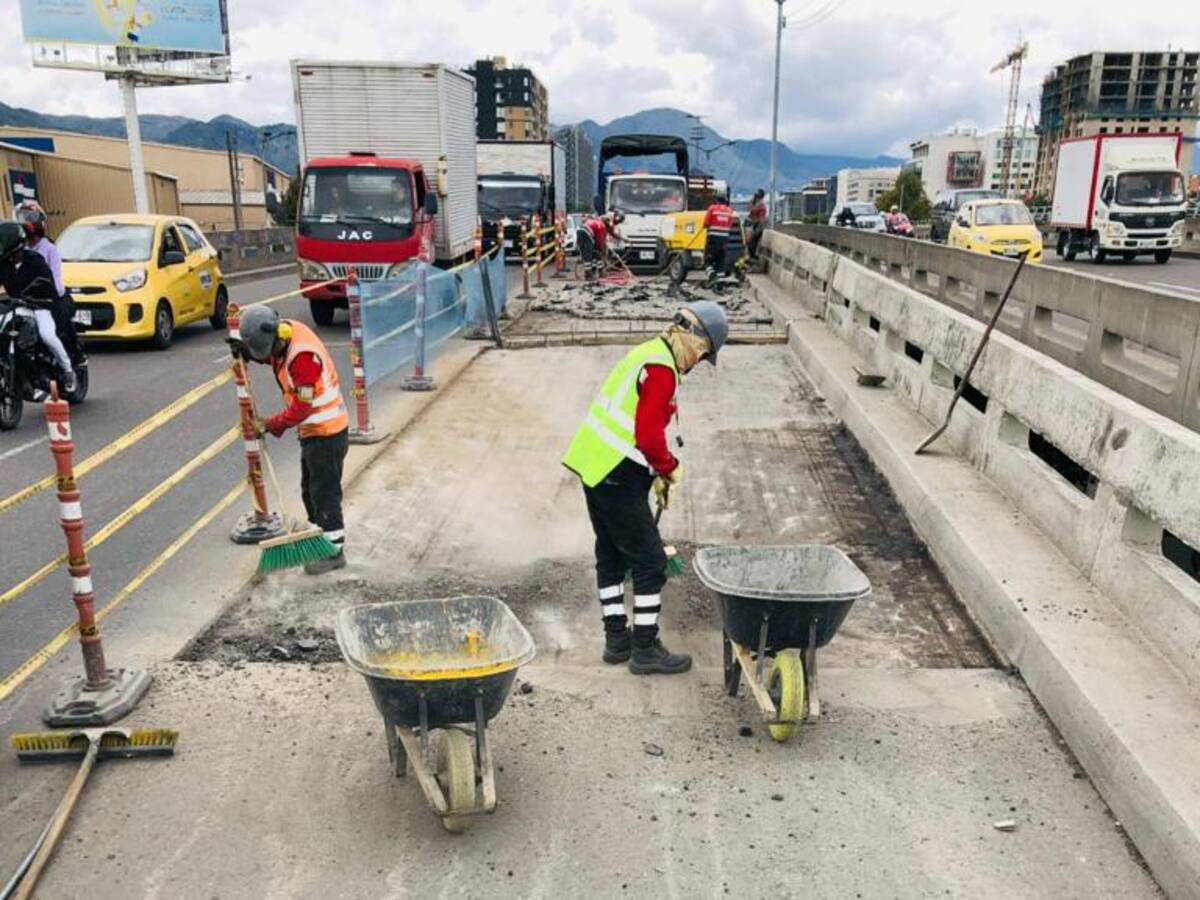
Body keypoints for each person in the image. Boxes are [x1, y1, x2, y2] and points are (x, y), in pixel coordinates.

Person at [562, 301, 729, 675]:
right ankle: (644, 649)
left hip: (595, 466)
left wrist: (651, 474)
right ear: (691, 337)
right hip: (616, 471)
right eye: (703, 354)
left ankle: (616, 641)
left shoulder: (647, 353)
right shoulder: (661, 369)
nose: (697, 363)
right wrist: (668, 467)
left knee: (610, 554)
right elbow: (648, 436)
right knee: (651, 562)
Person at [233, 305, 351, 575]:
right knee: (309, 489)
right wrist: (248, 352)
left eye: (267, 350)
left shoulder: (303, 360)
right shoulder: (283, 333)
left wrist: (268, 424)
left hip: (326, 433)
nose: (268, 356)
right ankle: (318, 540)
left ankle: (334, 552)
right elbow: (274, 356)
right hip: (314, 433)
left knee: (325, 494)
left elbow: (302, 407)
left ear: (278, 339)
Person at [11, 202, 77, 392]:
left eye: (30, 219)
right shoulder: (18, 251)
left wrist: (44, 296)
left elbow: (56, 283)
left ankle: (67, 369)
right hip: (23, 303)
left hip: (44, 304)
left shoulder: (49, 249)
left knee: (47, 335)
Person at [702, 195, 736, 278]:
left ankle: (712, 276)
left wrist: (706, 226)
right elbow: (730, 224)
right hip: (724, 240)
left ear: (717, 201)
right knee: (720, 260)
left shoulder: (712, 208)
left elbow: (706, 223)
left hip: (713, 239)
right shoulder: (729, 211)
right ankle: (719, 282)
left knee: (707, 260)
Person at [747, 189, 767, 259]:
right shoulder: (758, 203)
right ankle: (752, 256)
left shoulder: (761, 204)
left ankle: (753, 256)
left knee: (752, 241)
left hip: (759, 225)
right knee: (752, 241)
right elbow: (750, 208)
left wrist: (753, 199)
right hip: (756, 224)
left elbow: (753, 210)